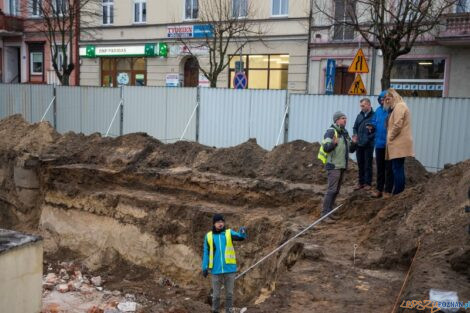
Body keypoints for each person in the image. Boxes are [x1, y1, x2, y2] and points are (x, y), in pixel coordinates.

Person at [202, 214, 247, 313]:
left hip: (229, 269)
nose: (220, 224)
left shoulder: (228, 233)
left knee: (229, 294)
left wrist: (242, 232)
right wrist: (204, 267)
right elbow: (206, 252)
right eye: (218, 222)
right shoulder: (208, 236)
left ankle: (229, 311)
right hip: (215, 270)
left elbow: (240, 237)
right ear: (214, 224)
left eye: (222, 222)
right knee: (216, 295)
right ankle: (215, 311)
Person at [318, 111, 357, 220]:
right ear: (336, 120)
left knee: (336, 190)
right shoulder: (331, 132)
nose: (345, 120)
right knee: (331, 190)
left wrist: (354, 143)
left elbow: (351, 150)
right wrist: (333, 143)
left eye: (345, 118)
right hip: (333, 165)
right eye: (342, 118)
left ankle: (329, 212)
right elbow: (326, 148)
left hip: (341, 166)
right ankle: (324, 214)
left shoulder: (344, 133)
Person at [384, 88, 414, 195]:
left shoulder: (399, 106)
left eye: (388, 99)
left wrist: (390, 137)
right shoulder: (397, 106)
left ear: (394, 97)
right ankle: (399, 190)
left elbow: (397, 125)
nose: (387, 101)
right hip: (398, 142)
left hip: (399, 142)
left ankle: (399, 191)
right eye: (386, 100)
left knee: (397, 168)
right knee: (397, 167)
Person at [369, 91, 394, 198]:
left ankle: (387, 190)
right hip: (379, 144)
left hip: (389, 145)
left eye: (385, 99)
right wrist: (371, 126)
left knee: (389, 168)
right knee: (380, 168)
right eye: (381, 99)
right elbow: (374, 122)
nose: (383, 101)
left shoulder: (393, 111)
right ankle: (379, 189)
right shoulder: (378, 111)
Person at [352, 98, 375, 190]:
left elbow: (375, 131)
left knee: (368, 165)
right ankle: (360, 183)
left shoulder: (374, 116)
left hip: (369, 145)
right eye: (361, 106)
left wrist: (368, 139)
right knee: (360, 164)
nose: (361, 107)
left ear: (369, 105)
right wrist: (355, 135)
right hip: (359, 144)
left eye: (363, 105)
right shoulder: (359, 116)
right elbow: (355, 127)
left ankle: (368, 183)